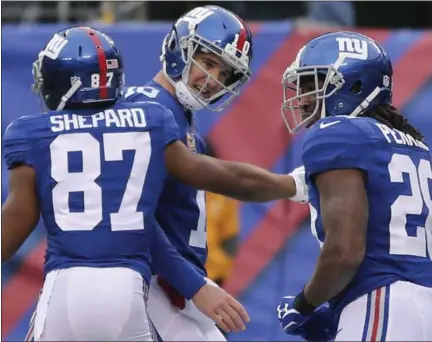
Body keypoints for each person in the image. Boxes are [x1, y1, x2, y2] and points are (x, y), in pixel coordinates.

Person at [2, 26, 251, 341]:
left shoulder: (30, 132)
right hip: (136, 285)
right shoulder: (151, 119)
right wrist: (291, 186)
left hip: (68, 283)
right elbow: (229, 180)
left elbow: (13, 226)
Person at [121, 5, 309, 341]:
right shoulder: (147, 110)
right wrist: (195, 286)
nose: (213, 81)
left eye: (224, 74)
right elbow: (131, 218)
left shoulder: (178, 118)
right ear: (178, 48)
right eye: (208, 63)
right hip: (150, 281)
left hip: (172, 281)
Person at [276, 30, 432, 341]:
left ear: (354, 83)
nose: (303, 99)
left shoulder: (336, 131)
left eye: (314, 85)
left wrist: (304, 304)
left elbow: (344, 252)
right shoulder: (415, 147)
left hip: (382, 302)